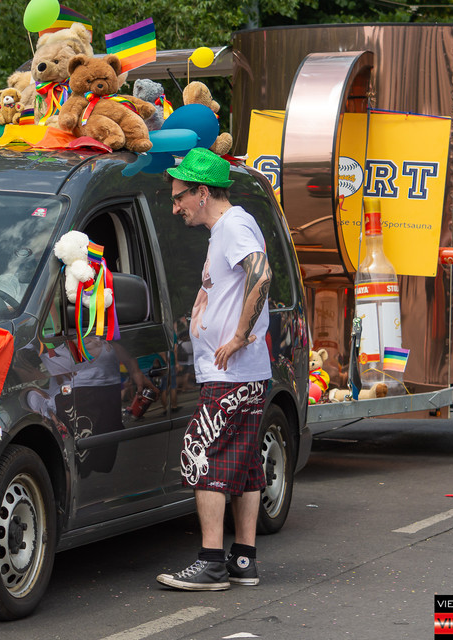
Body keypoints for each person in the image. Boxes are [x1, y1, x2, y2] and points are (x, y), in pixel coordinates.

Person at [156, 148, 273, 592]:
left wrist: (240, 335)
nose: (176, 207)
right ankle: (243, 559)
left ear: (202, 192)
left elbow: (262, 275)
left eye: (180, 197)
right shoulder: (226, 229)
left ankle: (210, 563)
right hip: (238, 373)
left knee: (200, 451)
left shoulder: (234, 226)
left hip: (232, 373)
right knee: (243, 463)